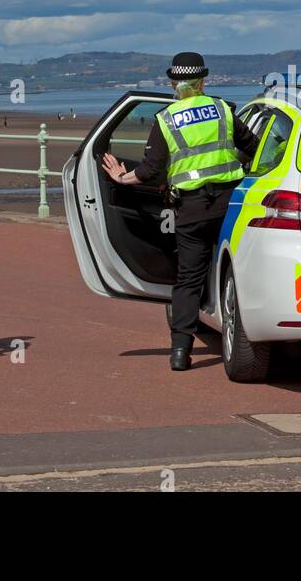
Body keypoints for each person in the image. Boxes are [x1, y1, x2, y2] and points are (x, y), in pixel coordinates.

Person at [101, 52, 258, 371]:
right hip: (231, 205)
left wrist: (121, 177)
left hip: (192, 209)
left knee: (188, 278)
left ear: (173, 83)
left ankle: (180, 352)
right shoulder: (222, 109)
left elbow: (148, 170)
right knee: (238, 270)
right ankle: (247, 335)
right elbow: (255, 148)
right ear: (203, 81)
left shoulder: (166, 119)